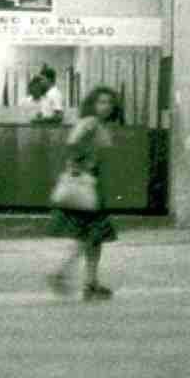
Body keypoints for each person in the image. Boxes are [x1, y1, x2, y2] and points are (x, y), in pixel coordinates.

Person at [47, 86, 121, 302]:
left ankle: (91, 283)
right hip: (87, 186)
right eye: (101, 102)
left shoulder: (100, 125)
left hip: (94, 186)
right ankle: (63, 274)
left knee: (94, 238)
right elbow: (72, 143)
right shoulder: (90, 123)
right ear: (92, 104)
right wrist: (82, 165)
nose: (106, 106)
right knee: (91, 236)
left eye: (109, 102)